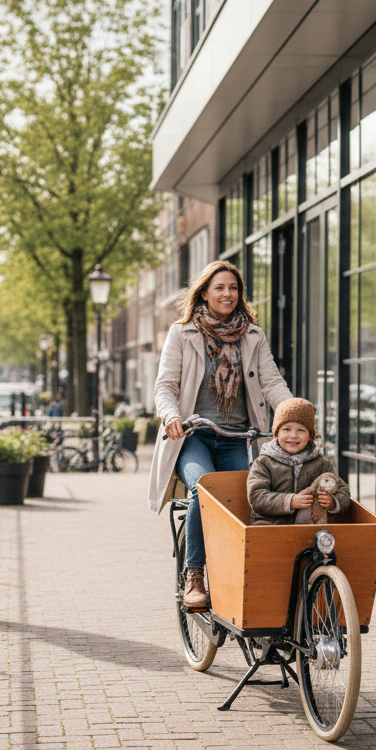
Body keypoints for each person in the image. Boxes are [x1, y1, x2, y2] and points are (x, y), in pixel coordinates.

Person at [148, 260, 293, 609]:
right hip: (193, 435)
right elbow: (165, 386)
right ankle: (194, 574)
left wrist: (293, 411)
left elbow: (272, 382)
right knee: (206, 488)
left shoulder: (253, 336)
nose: (227, 294)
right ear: (205, 293)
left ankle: (240, 576)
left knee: (250, 499)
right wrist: (170, 415)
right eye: (220, 288)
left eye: (233, 288)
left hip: (239, 437)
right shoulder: (182, 333)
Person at [246, 397, 349, 526]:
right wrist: (290, 501)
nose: (293, 435)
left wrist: (333, 502)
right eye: (286, 429)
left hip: (310, 527)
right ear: (276, 434)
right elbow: (257, 497)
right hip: (269, 526)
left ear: (310, 436)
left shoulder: (321, 463)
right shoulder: (264, 463)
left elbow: (343, 491)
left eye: (301, 430)